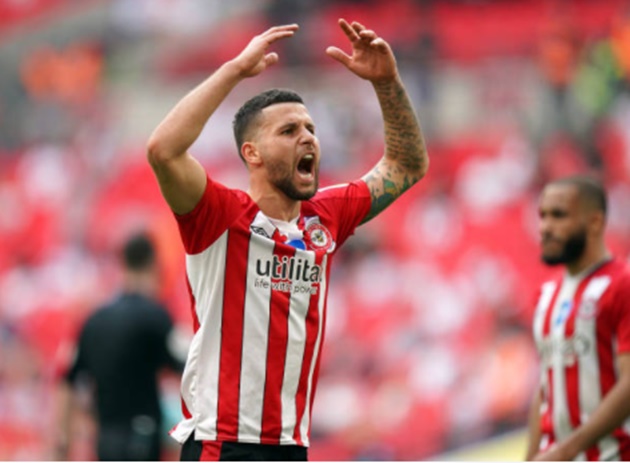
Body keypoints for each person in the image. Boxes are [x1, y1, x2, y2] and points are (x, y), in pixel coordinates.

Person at [146, 19, 428, 461]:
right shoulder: (218, 215)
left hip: (291, 447)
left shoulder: (325, 217)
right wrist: (235, 70)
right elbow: (163, 150)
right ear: (252, 153)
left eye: (310, 128)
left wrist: (387, 83)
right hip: (222, 445)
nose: (307, 138)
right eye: (288, 131)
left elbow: (407, 165)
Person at [54, 233, 187, 461]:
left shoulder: (94, 321)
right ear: (153, 266)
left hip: (105, 439)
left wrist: (63, 440)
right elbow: (188, 368)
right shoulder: (155, 317)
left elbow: (67, 378)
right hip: (142, 437)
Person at [525, 175, 630, 461]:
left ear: (595, 222)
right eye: (543, 216)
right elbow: (547, 388)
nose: (545, 227)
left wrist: (566, 451)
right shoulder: (545, 297)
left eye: (558, 215)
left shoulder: (622, 285)